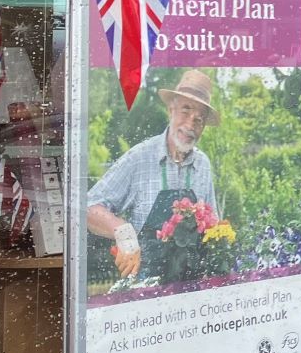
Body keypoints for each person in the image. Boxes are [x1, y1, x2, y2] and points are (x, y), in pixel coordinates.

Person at [86, 69, 222, 279]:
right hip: (146, 291)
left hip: (191, 288)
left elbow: (213, 226)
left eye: (199, 120)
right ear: (171, 109)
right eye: (185, 111)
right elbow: (87, 207)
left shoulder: (203, 164)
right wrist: (122, 230)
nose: (190, 125)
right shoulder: (140, 158)